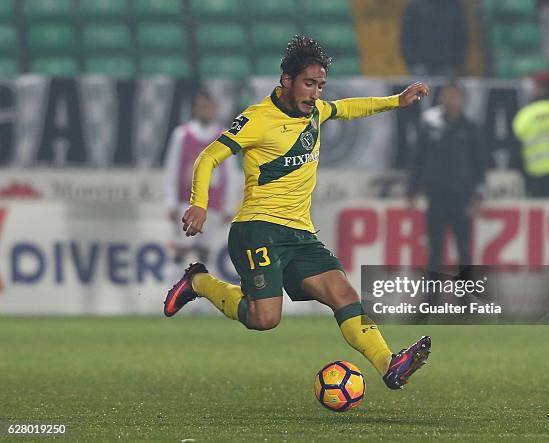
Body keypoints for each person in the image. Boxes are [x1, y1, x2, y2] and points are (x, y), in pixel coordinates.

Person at [163, 36, 432, 390]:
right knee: (265, 319)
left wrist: (396, 101)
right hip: (258, 229)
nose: (315, 93)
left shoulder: (316, 112)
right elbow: (208, 157)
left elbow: (349, 107)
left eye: (320, 86)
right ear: (286, 80)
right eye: (309, 84)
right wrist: (199, 203)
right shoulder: (258, 119)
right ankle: (198, 281)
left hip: (300, 234)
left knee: (344, 295)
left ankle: (389, 365)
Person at [407, 80, 486, 272]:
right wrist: (412, 190)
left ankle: (466, 300)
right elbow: (418, 159)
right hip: (436, 197)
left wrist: (479, 194)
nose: (452, 100)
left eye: (456, 96)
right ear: (441, 97)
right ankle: (432, 300)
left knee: (464, 252)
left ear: (463, 99)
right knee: (435, 251)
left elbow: (480, 164)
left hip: (462, 197)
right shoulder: (429, 123)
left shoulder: (471, 127)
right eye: (448, 95)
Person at [164, 90, 242, 280]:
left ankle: (202, 300)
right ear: (195, 109)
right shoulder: (182, 134)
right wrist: (171, 202)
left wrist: (229, 206)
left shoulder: (224, 136)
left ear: (214, 109)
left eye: (208, 107)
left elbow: (231, 174)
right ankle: (172, 294)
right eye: (201, 107)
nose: (204, 110)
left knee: (205, 252)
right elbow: (172, 169)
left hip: (213, 203)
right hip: (187, 201)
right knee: (182, 248)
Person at [400, 0, 468, 76]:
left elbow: (461, 36)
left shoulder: (455, 6)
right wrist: (413, 62)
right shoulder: (414, 6)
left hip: (448, 66)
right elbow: (407, 36)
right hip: (420, 66)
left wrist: (456, 63)